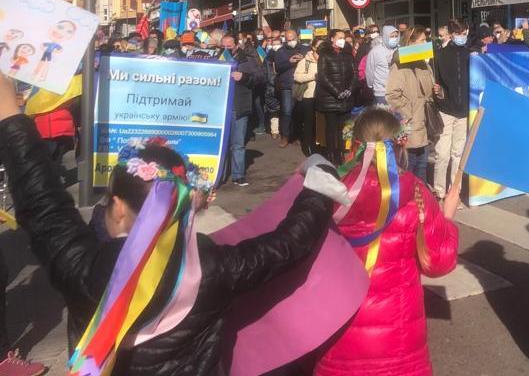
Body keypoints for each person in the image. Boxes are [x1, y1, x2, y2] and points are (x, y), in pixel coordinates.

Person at [0, 72, 339, 375]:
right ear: (187, 204)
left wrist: (10, 115)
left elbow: (41, 201)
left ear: (117, 207)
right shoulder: (214, 266)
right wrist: (319, 181)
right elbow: (291, 242)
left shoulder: (85, 268)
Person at [314, 108, 459, 375]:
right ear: (399, 146)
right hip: (399, 347)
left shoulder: (328, 192)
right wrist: (447, 217)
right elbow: (439, 261)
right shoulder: (416, 191)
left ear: (354, 144)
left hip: (337, 336)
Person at [386, 27, 435, 182]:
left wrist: (437, 91)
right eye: (422, 40)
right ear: (411, 42)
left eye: (426, 40)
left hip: (424, 124)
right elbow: (392, 95)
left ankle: (421, 203)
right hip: (410, 125)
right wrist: (408, 113)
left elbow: (430, 91)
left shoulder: (424, 65)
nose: (426, 43)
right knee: (409, 169)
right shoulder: (399, 66)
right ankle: (408, 203)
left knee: (422, 169)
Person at [433, 20, 470, 199]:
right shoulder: (440, 55)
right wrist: (437, 91)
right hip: (446, 110)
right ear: (451, 34)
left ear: (468, 32)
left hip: (464, 112)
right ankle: (439, 191)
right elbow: (436, 81)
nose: (460, 37)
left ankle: (454, 191)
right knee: (442, 154)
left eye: (463, 33)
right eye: (456, 33)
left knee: (458, 155)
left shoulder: (472, 55)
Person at [222, 34, 265, 187]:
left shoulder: (247, 59)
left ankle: (238, 175)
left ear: (237, 45)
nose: (227, 49)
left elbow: (260, 77)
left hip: (239, 105)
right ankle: (220, 175)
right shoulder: (219, 57)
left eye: (230, 46)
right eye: (224, 46)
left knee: (238, 143)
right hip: (221, 108)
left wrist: (244, 77)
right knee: (222, 143)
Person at [315, 29, 357, 165]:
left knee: (342, 129)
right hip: (330, 99)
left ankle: (340, 155)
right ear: (332, 39)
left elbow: (354, 73)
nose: (342, 40)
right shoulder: (325, 54)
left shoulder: (347, 54)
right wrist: (336, 92)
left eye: (344, 38)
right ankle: (331, 156)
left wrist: (350, 89)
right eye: (339, 37)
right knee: (331, 130)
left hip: (345, 98)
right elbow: (322, 76)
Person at [273, 30, 307, 148]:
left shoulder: (304, 49)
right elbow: (278, 68)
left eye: (292, 39)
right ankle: (285, 136)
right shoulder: (280, 51)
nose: (291, 41)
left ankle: (298, 135)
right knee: (286, 112)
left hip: (302, 84)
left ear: (297, 38)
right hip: (287, 85)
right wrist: (289, 62)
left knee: (300, 112)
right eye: (288, 40)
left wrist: (303, 59)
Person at [293, 37, 323, 157]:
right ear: (314, 47)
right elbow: (297, 77)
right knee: (309, 123)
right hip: (309, 96)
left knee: (320, 123)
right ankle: (308, 147)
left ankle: (319, 146)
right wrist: (314, 76)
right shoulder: (305, 61)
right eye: (319, 45)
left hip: (322, 96)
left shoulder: (326, 59)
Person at [365, 25, 399, 106]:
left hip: (398, 91)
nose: (394, 38)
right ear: (385, 36)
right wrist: (370, 85)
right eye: (391, 36)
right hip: (382, 92)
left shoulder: (401, 49)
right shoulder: (375, 51)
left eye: (396, 36)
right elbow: (370, 71)